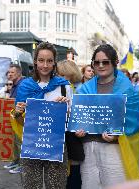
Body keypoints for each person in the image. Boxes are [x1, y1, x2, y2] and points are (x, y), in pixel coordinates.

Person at [75, 44, 139, 189]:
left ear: (115, 62)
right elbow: (79, 118)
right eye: (96, 62)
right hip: (88, 148)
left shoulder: (127, 88)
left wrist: (117, 134)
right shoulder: (84, 88)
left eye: (105, 62)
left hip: (114, 149)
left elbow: (135, 119)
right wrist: (78, 129)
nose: (100, 65)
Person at [12, 42, 71, 188]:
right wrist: (18, 113)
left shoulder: (64, 86)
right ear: (35, 62)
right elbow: (20, 122)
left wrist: (66, 109)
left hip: (56, 146)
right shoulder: (25, 86)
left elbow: (71, 119)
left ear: (54, 63)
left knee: (56, 186)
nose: (45, 65)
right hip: (31, 145)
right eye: (41, 60)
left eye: (49, 61)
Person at [57, 59, 84, 189]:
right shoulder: (57, 88)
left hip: (73, 133)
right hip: (62, 133)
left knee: (74, 167)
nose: (61, 77)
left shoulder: (80, 89)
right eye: (59, 75)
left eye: (63, 75)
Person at [3, 64, 24, 174]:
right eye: (9, 72)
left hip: (20, 117)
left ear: (19, 73)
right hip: (14, 116)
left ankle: (22, 165)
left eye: (12, 72)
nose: (9, 74)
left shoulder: (22, 85)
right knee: (15, 141)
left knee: (19, 142)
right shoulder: (14, 85)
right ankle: (16, 161)